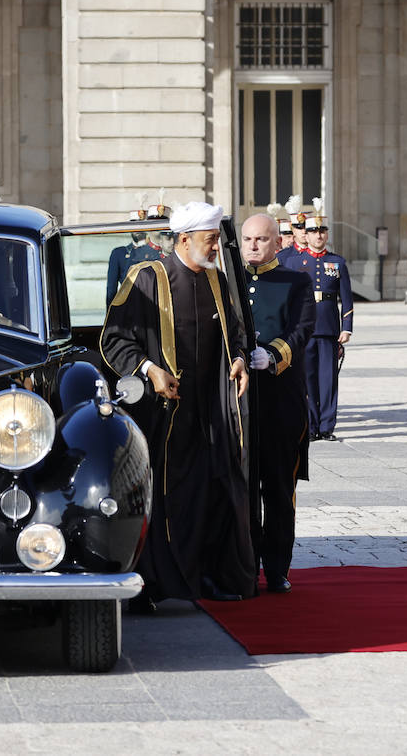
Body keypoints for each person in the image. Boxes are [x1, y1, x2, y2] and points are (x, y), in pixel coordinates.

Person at [100, 201, 256, 607]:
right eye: (210, 240)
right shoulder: (145, 277)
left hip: (212, 410)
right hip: (164, 413)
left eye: (218, 240)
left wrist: (239, 360)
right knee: (170, 497)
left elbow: (236, 333)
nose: (217, 248)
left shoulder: (218, 282)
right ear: (184, 240)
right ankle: (156, 583)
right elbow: (114, 339)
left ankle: (210, 576)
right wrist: (150, 370)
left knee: (216, 491)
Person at [240, 213, 315, 594]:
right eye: (248, 239)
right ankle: (245, 563)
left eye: (261, 240)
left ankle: (277, 567)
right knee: (243, 486)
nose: (253, 246)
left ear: (277, 242)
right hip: (239, 402)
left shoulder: (296, 280)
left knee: (279, 489)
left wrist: (273, 355)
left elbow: (302, 329)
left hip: (280, 400)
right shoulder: (230, 283)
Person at [287, 212, 352, 440]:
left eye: (322, 231)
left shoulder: (337, 262)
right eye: (314, 232)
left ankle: (327, 426)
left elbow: (346, 298)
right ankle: (311, 425)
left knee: (328, 379)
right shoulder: (294, 262)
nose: (318, 236)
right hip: (304, 327)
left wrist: (347, 327)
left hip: (328, 326)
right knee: (307, 378)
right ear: (307, 234)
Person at [105, 203, 170, 304]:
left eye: (141, 225)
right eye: (134, 225)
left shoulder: (161, 252)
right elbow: (111, 290)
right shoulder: (119, 253)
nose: (137, 229)